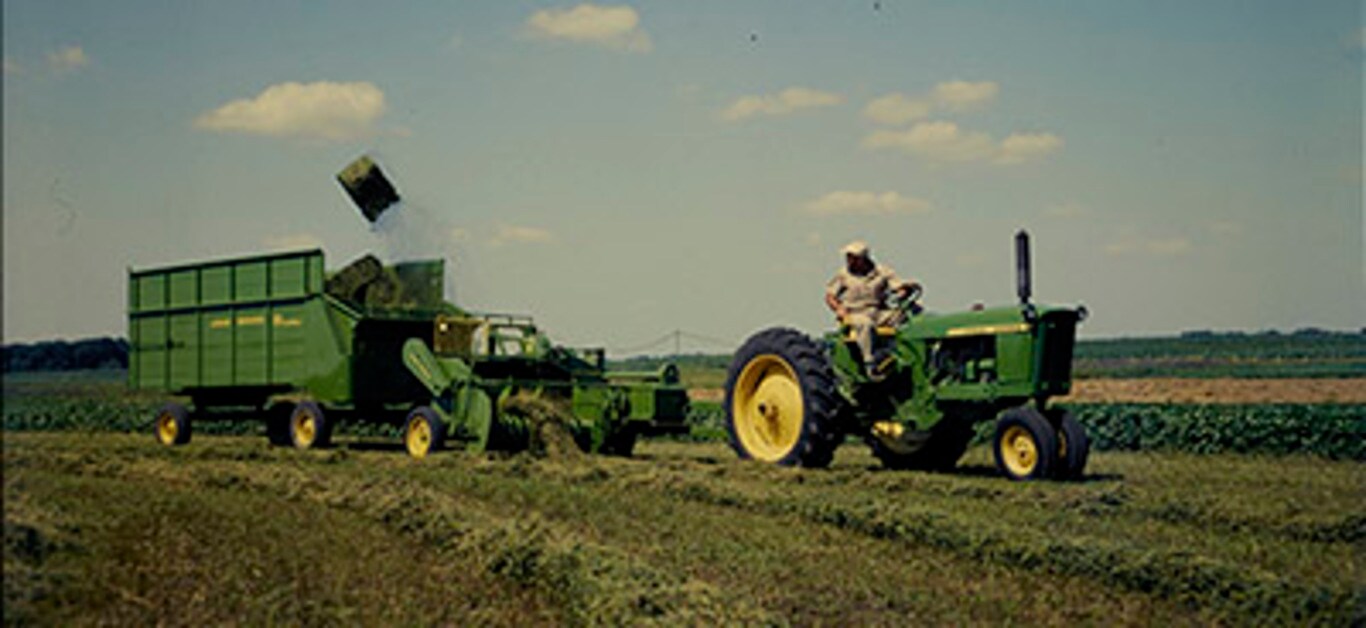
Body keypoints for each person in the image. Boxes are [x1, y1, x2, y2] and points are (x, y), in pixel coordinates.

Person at [824, 240, 921, 376]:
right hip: (855, 313)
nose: (849, 261)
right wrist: (839, 309)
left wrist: (903, 291)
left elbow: (898, 286)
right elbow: (830, 296)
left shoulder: (881, 272)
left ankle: (907, 355)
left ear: (863, 259)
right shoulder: (843, 275)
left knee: (909, 313)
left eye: (853, 258)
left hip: (878, 312)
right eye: (848, 257)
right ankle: (870, 362)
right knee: (865, 324)